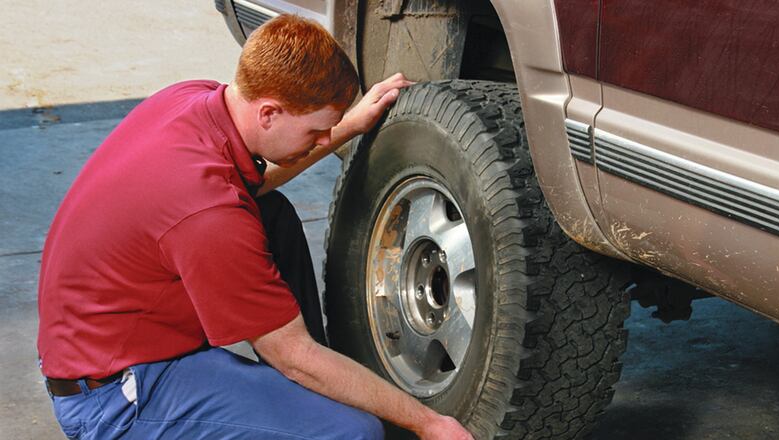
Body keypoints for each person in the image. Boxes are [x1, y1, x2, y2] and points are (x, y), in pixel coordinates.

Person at [37, 14, 473, 440]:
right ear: (268, 113)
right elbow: (292, 355)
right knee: (350, 430)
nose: (326, 138)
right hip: (118, 398)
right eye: (317, 130)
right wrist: (428, 423)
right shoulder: (209, 215)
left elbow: (248, 186)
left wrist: (349, 126)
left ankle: (309, 394)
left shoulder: (194, 99)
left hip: (104, 340)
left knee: (272, 217)